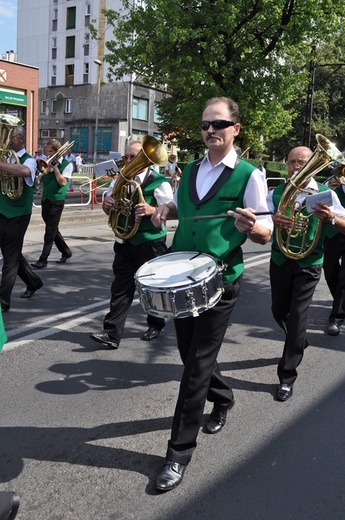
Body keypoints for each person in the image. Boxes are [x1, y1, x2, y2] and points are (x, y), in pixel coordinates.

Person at [151, 97, 273, 491]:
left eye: (219, 124)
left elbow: (265, 233)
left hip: (220, 280)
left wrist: (251, 227)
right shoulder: (188, 170)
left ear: (236, 128)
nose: (210, 131)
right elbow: (182, 209)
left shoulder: (249, 175)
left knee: (196, 367)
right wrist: (162, 211)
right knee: (191, 357)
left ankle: (178, 453)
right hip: (182, 277)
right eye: (205, 125)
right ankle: (223, 397)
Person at [267, 146, 345, 402]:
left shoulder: (326, 193)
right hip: (280, 258)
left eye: (302, 162)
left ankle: (286, 377)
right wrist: (273, 221)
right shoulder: (277, 192)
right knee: (279, 311)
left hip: (309, 262)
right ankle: (298, 340)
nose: (296, 166)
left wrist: (331, 218)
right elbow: (264, 226)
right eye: (291, 162)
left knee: (299, 316)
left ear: (312, 163)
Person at [89, 140, 174, 349]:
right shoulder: (120, 178)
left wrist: (152, 210)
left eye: (132, 157)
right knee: (120, 287)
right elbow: (109, 209)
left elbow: (170, 211)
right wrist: (107, 203)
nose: (127, 161)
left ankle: (156, 324)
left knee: (152, 288)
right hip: (124, 240)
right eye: (126, 157)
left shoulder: (159, 181)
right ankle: (111, 333)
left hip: (150, 242)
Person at [0, 126, 43, 313]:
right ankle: (33, 282)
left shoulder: (30, 160)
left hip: (18, 215)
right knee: (12, 254)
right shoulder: (6, 158)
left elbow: (25, 172)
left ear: (22, 139)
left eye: (13, 137)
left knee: (9, 259)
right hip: (2, 212)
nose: (9, 140)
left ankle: (3, 301)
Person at [31, 139, 73, 268]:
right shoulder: (47, 163)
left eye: (51, 151)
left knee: (49, 231)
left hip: (57, 200)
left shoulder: (67, 164)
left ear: (57, 152)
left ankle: (43, 259)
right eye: (47, 151)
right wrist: (39, 174)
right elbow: (40, 180)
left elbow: (62, 182)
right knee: (53, 228)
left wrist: (55, 168)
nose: (48, 154)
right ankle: (66, 252)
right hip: (46, 199)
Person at [323, 165, 345, 336]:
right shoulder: (331, 188)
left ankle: (336, 318)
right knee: (330, 272)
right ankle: (341, 302)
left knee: (344, 277)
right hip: (332, 235)